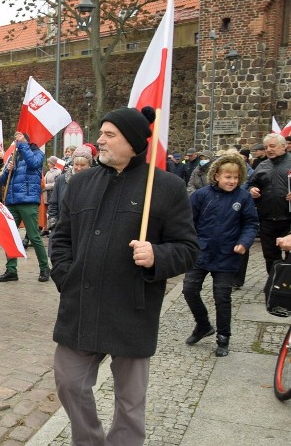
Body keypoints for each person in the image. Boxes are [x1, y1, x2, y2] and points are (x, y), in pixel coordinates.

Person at [50, 106, 198, 444]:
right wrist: (66, 276)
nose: (99, 140)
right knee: (69, 383)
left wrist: (156, 255)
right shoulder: (81, 182)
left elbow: (188, 249)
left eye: (109, 134)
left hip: (133, 307)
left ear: (132, 141)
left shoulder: (166, 187)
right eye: (101, 132)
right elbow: (61, 239)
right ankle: (89, 440)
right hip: (82, 304)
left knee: (130, 403)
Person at [183, 152, 258, 357]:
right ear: (216, 175)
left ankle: (223, 338)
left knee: (222, 297)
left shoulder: (243, 197)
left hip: (227, 255)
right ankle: (203, 325)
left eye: (235, 177)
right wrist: (191, 244)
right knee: (189, 289)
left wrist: (244, 242)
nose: (232, 181)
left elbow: (251, 223)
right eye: (228, 177)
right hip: (202, 252)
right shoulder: (201, 195)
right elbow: (189, 222)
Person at [0, 132, 50, 283]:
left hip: (28, 200)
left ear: (26, 140)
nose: (16, 141)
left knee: (33, 236)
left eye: (19, 139)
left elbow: (33, 164)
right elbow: (3, 180)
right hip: (12, 201)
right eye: (15, 139)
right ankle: (11, 270)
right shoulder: (14, 156)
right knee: (10, 236)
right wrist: (8, 169)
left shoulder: (37, 153)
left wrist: (23, 145)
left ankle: (45, 268)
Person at [247, 132, 291, 272]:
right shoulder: (262, 165)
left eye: (272, 146)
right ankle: (274, 285)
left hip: (289, 218)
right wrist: (252, 189)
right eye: (266, 147)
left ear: (283, 146)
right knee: (270, 256)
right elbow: (251, 183)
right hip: (267, 219)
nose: (269, 150)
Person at [46, 146, 93, 250]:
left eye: (83, 165)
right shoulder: (61, 180)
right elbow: (53, 204)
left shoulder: (94, 182)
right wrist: (54, 225)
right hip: (63, 229)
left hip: (84, 230)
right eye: (76, 164)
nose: (79, 168)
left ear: (89, 165)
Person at [41, 156, 62, 236]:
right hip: (46, 194)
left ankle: (52, 229)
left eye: (50, 162)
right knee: (46, 212)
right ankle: (45, 228)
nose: (48, 164)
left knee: (52, 212)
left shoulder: (58, 172)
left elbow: (55, 184)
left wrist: (45, 186)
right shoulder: (49, 172)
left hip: (52, 193)